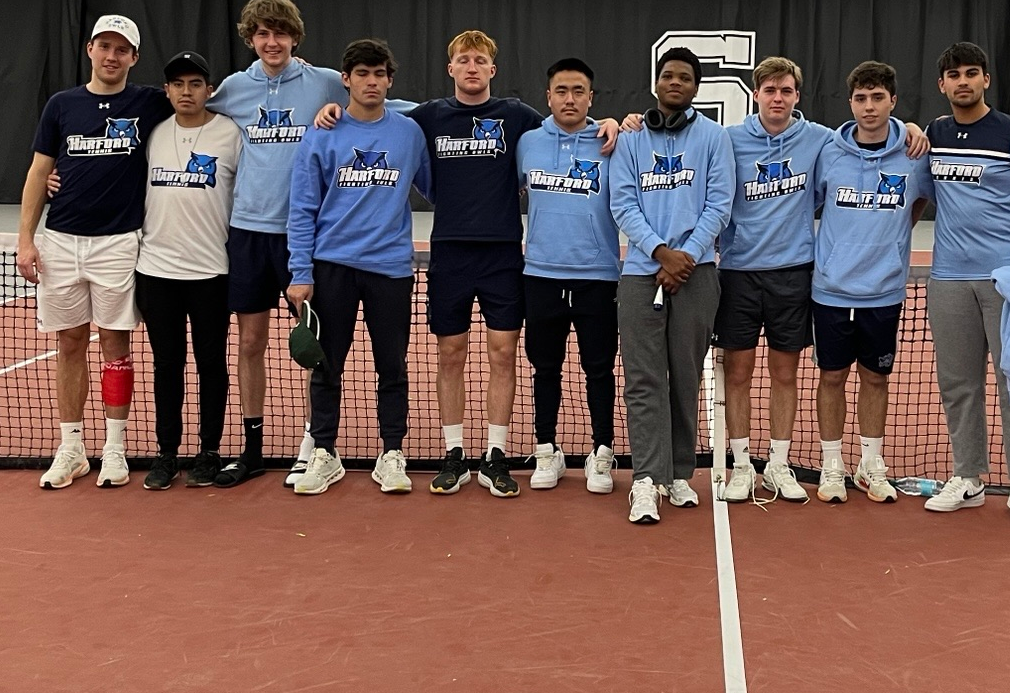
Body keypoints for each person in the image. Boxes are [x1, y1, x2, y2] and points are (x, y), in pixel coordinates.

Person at [313, 31, 620, 498]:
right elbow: (378, 115)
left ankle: (495, 455)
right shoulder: (428, 117)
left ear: (492, 70)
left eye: (480, 60)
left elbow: (565, 124)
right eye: (463, 60)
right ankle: (453, 453)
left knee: (502, 355)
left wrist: (614, 121)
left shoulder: (516, 116)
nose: (472, 67)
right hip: (450, 255)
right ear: (450, 68)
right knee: (451, 356)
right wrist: (333, 109)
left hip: (502, 256)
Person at [206, 0, 415, 489]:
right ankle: (263, 446)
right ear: (251, 38)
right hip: (254, 233)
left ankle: (316, 444)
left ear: (295, 38)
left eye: (280, 33)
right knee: (258, 342)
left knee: (337, 353)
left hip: (319, 244)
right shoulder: (236, 87)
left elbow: (390, 107)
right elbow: (186, 108)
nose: (271, 42)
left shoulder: (325, 80)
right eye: (262, 33)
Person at [17, 14, 172, 489]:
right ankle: (71, 448)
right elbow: (40, 171)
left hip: (120, 244)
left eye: (122, 49)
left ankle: (115, 448)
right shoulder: (62, 105)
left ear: (134, 58)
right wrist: (26, 239)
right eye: (105, 46)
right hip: (61, 242)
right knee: (68, 344)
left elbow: (210, 95)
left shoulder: (149, 102)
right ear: (90, 49)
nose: (112, 55)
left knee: (115, 346)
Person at [286, 39, 432, 495]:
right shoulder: (322, 132)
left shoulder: (408, 133)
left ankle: (391, 453)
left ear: (390, 80)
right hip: (332, 268)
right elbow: (302, 206)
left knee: (392, 366)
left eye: (380, 74)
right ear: (345, 79)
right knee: (327, 365)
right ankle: (325, 452)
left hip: (390, 269)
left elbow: (435, 187)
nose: (371, 82)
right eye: (362, 74)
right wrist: (300, 272)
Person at [923, 42, 1010, 528]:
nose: (963, 81)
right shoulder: (934, 133)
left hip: (1008, 281)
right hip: (948, 281)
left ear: (986, 81)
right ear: (942, 85)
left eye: (971, 73)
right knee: (959, 385)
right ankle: (968, 478)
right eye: (953, 74)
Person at [611, 46, 735, 524]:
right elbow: (622, 204)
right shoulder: (630, 140)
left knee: (685, 377)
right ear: (656, 83)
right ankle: (646, 478)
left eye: (685, 76)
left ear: (696, 87)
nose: (676, 82)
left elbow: (720, 204)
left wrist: (686, 258)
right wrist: (660, 253)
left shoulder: (713, 139)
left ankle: (679, 472)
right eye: (668, 75)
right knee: (643, 380)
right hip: (641, 275)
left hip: (698, 275)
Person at [812, 62, 932, 504]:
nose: (869, 107)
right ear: (850, 103)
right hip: (830, 290)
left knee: (876, 379)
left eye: (877, 97)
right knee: (831, 376)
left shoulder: (915, 154)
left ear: (893, 101)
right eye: (861, 98)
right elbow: (811, 203)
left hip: (883, 292)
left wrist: (894, 232)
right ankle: (831, 465)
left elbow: (918, 201)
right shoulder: (829, 151)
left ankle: (871, 466)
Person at [713, 56, 832, 505]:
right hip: (739, 274)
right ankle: (742, 465)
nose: (777, 98)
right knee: (739, 373)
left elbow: (871, 140)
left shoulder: (820, 140)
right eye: (769, 90)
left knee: (786, 373)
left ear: (797, 95)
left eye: (786, 90)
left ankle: (778, 465)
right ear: (756, 94)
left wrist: (913, 129)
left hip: (793, 275)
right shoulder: (729, 141)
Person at [136, 52, 242, 490]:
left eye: (195, 83)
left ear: (209, 89)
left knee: (211, 364)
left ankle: (210, 450)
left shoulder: (230, 135)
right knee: (167, 365)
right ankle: (166, 453)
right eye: (177, 84)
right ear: (166, 90)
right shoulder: (153, 134)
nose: (186, 92)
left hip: (212, 271)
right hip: (155, 271)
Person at [516, 58, 620, 492]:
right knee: (546, 368)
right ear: (548, 96)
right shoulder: (526, 143)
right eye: (561, 91)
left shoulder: (613, 142)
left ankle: (601, 451)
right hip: (540, 274)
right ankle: (547, 449)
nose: (570, 99)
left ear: (591, 97)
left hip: (597, 276)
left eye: (579, 91)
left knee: (599, 368)